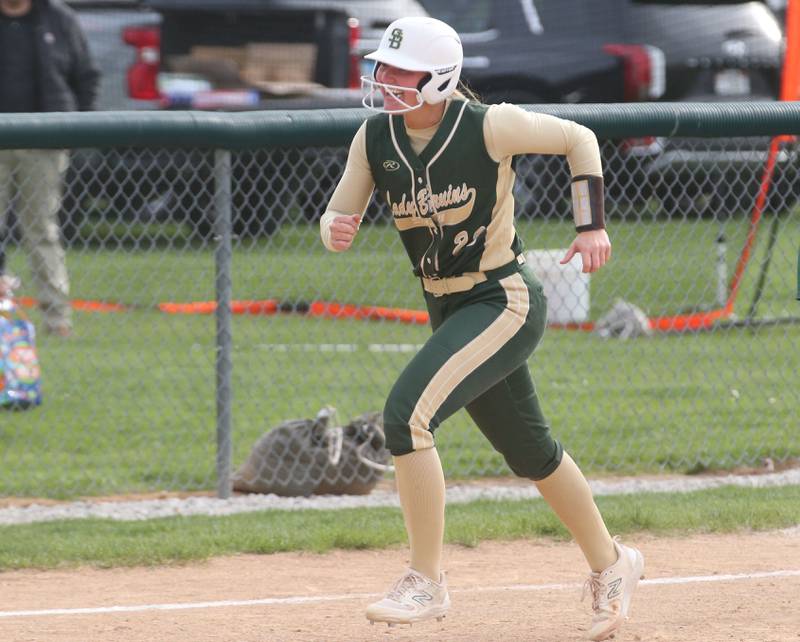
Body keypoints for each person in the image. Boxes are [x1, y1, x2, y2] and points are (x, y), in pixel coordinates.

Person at [319, 16, 644, 642]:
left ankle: (426, 581)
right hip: (448, 307)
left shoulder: (489, 123)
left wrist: (590, 225)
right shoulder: (374, 137)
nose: (385, 80)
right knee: (532, 452)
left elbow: (579, 139)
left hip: (503, 300)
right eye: (382, 68)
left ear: (440, 77)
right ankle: (614, 563)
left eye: (401, 71)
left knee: (406, 416)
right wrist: (333, 227)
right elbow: (341, 208)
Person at [0, 0, 99, 337]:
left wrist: (72, 128)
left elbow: (86, 77)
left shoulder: (59, 19)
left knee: (41, 229)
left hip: (43, 143)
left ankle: (56, 318)